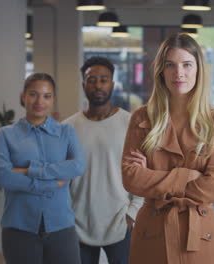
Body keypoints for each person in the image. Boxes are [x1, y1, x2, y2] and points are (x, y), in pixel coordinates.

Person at [121, 33, 214, 264]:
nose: (178, 73)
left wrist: (153, 177)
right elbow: (131, 178)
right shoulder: (142, 117)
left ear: (198, 69)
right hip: (152, 231)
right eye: (170, 65)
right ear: (161, 70)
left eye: (187, 65)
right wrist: (190, 176)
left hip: (200, 234)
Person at [0, 73, 85, 264]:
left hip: (61, 227)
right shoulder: (5, 135)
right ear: (23, 96)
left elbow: (77, 166)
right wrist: (52, 183)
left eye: (46, 96)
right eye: (33, 94)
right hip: (19, 228)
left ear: (53, 100)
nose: (39, 101)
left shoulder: (65, 132)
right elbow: (3, 177)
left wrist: (29, 170)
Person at [63, 57, 143, 264]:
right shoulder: (67, 128)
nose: (98, 85)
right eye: (92, 79)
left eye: (104, 79)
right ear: (83, 85)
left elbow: (140, 173)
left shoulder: (130, 123)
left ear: (113, 84)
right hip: (78, 223)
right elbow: (62, 177)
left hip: (120, 222)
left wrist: (132, 213)